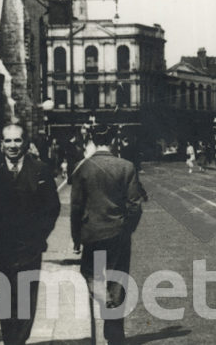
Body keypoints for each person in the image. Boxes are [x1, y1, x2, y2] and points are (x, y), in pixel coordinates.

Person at [0, 124, 61, 345]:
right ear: (1, 144)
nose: (13, 146)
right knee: (3, 298)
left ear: (25, 143)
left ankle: (19, 340)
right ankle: (10, 340)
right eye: (8, 141)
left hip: (29, 249)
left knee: (25, 300)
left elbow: (52, 207)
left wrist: (39, 236)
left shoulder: (40, 170)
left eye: (17, 140)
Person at [70, 126, 146, 345]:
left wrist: (76, 238)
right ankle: (114, 334)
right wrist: (127, 228)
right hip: (118, 233)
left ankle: (105, 301)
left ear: (92, 139)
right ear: (114, 139)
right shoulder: (126, 166)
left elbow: (76, 207)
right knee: (117, 280)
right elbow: (134, 205)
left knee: (90, 273)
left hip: (92, 233)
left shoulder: (82, 168)